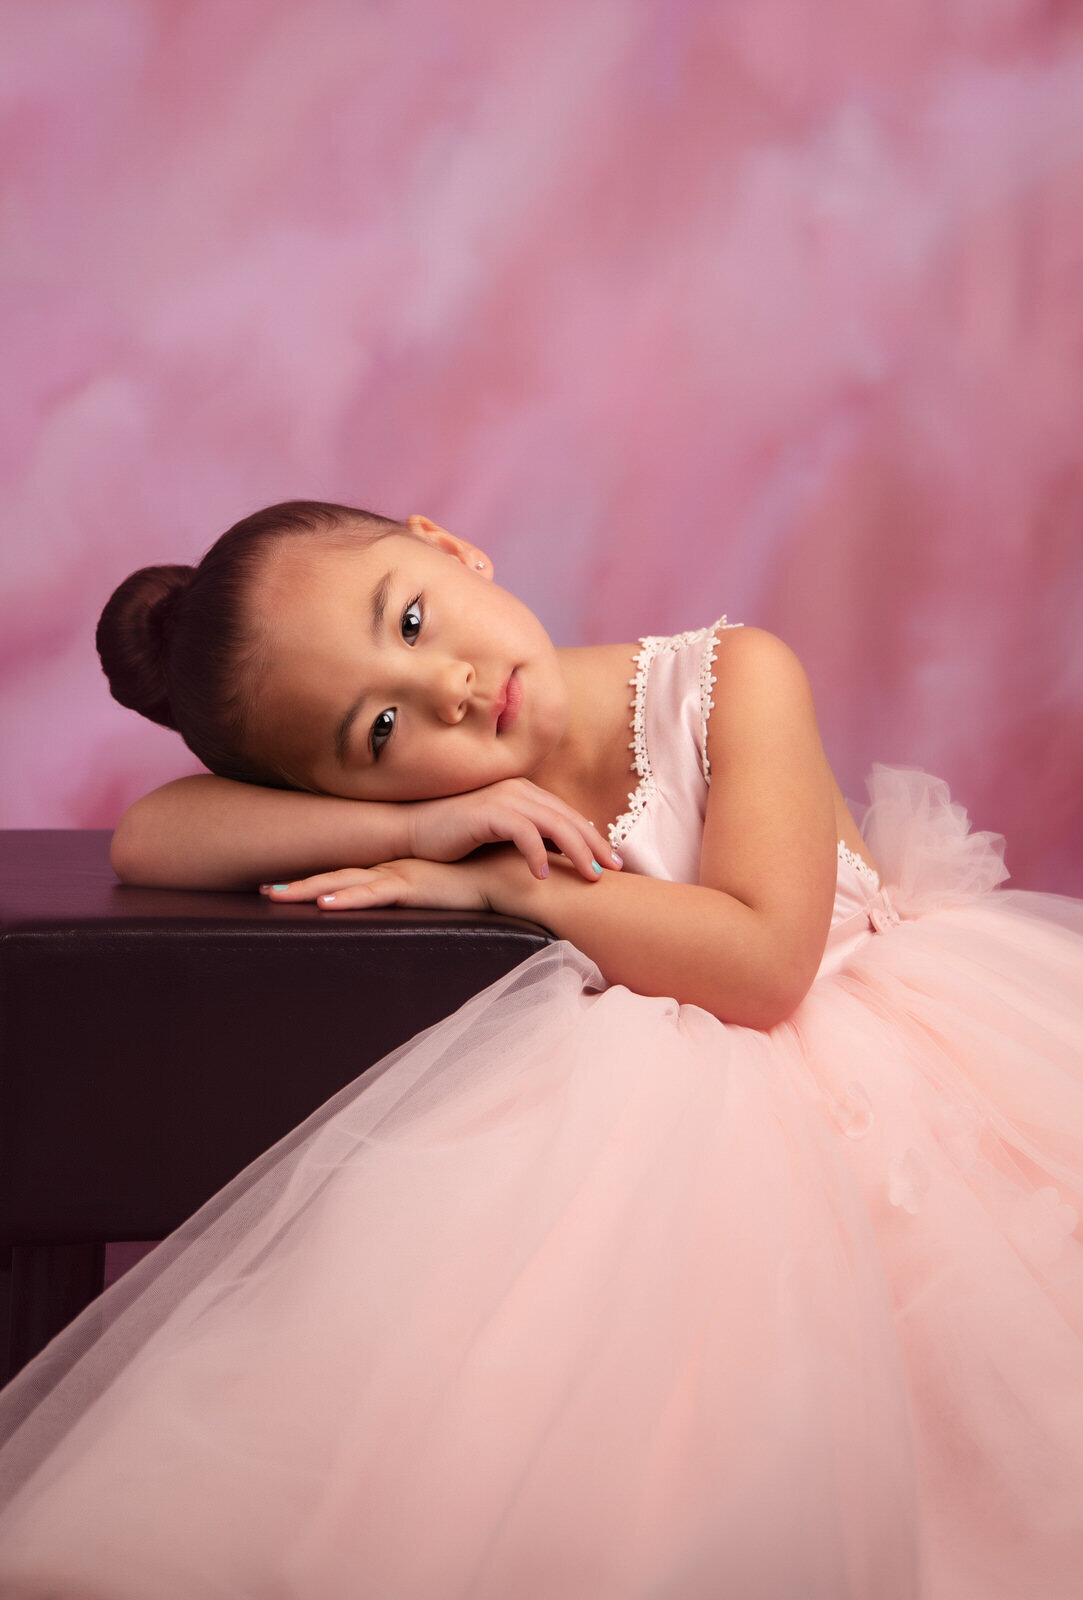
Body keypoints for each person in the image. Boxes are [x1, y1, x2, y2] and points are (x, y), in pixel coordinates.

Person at [0, 499, 1080, 1599]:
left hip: (870, 1066)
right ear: (344, 784)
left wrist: (503, 882)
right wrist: (405, 826)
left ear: (448, 546)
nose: (445, 691)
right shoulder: (438, 789)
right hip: (652, 1136)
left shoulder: (733, 676)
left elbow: (762, 967)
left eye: (412, 619)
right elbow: (154, 836)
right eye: (377, 731)